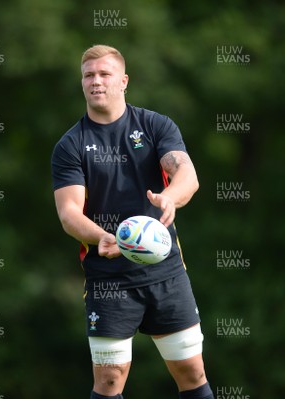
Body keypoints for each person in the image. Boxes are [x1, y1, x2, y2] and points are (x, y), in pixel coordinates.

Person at [51, 44, 214, 399]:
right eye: (88, 75)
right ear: (82, 83)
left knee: (192, 371)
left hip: (166, 273)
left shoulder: (155, 126)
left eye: (104, 74)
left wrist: (170, 197)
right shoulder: (71, 145)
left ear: (123, 81)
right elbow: (68, 214)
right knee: (109, 380)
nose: (96, 81)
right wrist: (101, 237)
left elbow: (186, 172)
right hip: (108, 280)